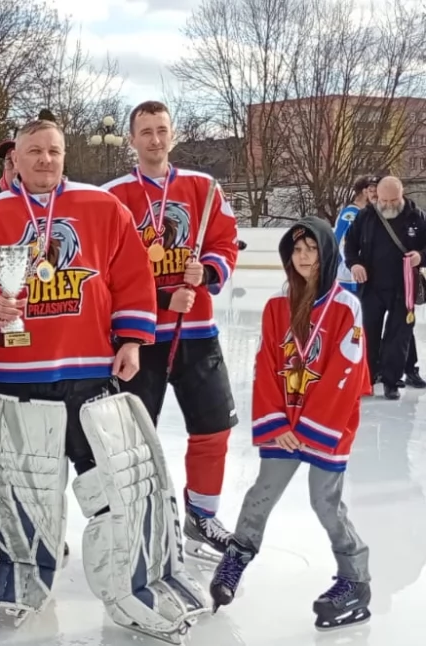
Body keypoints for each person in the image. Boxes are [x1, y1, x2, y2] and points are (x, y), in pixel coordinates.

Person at [0, 117, 208, 642]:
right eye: (33, 151)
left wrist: (130, 340)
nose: (44, 160)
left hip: (89, 376)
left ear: (65, 155)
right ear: (14, 159)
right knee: (18, 489)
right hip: (12, 378)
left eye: (53, 151)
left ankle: (132, 582)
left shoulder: (102, 208)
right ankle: (20, 582)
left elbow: (132, 274)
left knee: (112, 485)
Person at [210, 216, 372, 631]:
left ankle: (355, 579)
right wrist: (276, 422)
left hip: (326, 422)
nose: (303, 258)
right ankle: (237, 559)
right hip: (284, 422)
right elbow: (265, 365)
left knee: (325, 502)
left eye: (311, 250)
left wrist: (311, 428)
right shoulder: (276, 307)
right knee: (262, 492)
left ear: (326, 254)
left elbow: (346, 371)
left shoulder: (344, 307)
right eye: (296, 251)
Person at [103, 100, 240, 563]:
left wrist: (208, 272)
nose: (155, 139)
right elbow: (107, 269)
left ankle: (202, 517)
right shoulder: (114, 195)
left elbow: (224, 242)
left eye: (162, 130)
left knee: (214, 425)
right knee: (137, 438)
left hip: (197, 331)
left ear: (173, 134)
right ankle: (141, 521)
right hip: (140, 337)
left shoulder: (203, 187)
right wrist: (160, 300)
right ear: (132, 139)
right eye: (145, 131)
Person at [335, 175, 425, 389]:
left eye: (392, 201)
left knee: (398, 336)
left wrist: (420, 257)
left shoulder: (416, 216)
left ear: (401, 195)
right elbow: (350, 246)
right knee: (369, 333)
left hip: (403, 287)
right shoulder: (366, 216)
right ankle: (368, 375)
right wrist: (354, 264)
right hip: (371, 286)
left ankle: (391, 381)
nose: (387, 205)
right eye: (383, 200)